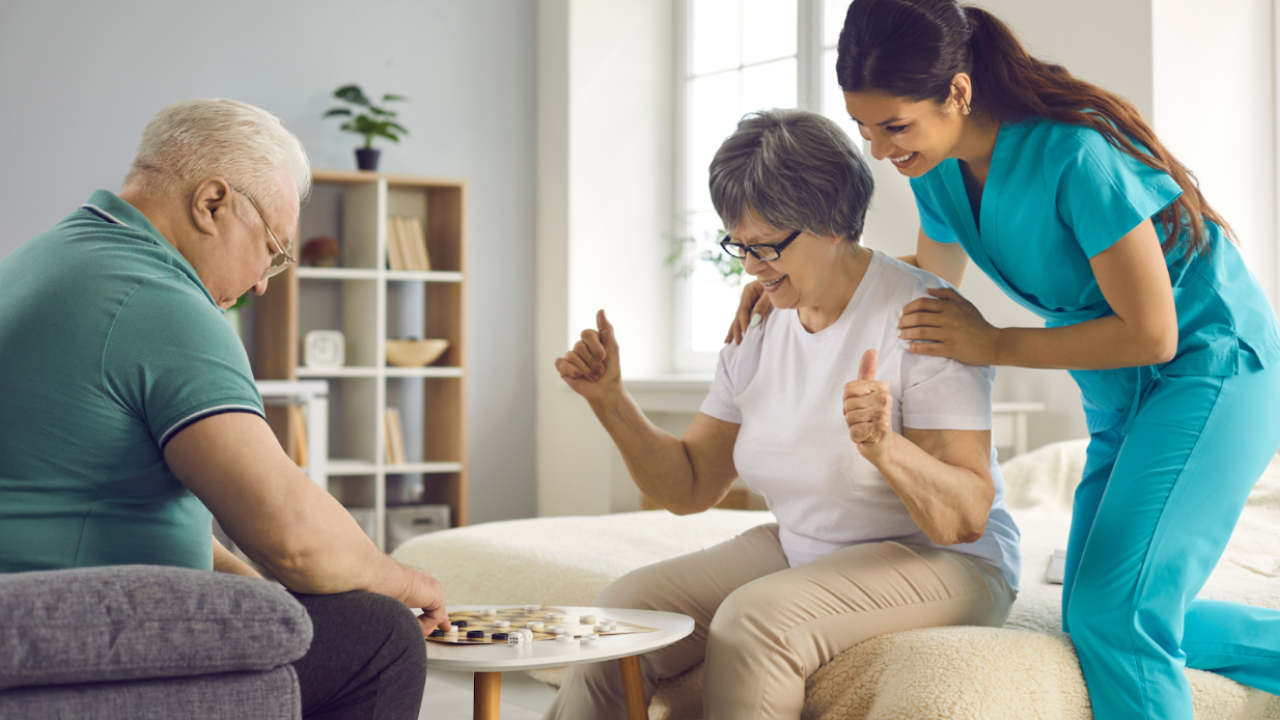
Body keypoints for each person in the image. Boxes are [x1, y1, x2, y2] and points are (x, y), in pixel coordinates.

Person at [726, 2, 1280, 718]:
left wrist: (994, 343)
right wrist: (788, 276)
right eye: (865, 129)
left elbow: (1154, 335)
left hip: (1210, 373)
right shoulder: (935, 170)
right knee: (1093, 612)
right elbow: (924, 279)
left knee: (1119, 615)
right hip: (1116, 390)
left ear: (956, 91)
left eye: (895, 125)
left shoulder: (1078, 157)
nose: (879, 150)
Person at [546, 109, 1021, 720]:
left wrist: (885, 446)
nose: (749, 266)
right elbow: (690, 486)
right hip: (808, 548)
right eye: (738, 245)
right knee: (620, 616)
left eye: (766, 246)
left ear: (830, 223)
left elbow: (963, 518)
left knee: (755, 622)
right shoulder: (760, 323)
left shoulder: (923, 315)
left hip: (950, 562)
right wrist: (611, 401)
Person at [0, 99, 449, 720]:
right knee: (379, 636)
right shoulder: (160, 298)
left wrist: (257, 590)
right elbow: (292, 537)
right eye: (272, 247)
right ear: (212, 203)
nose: (266, 281)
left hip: (25, 605)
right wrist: (407, 581)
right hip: (73, 624)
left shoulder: (43, 260)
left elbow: (118, 495)